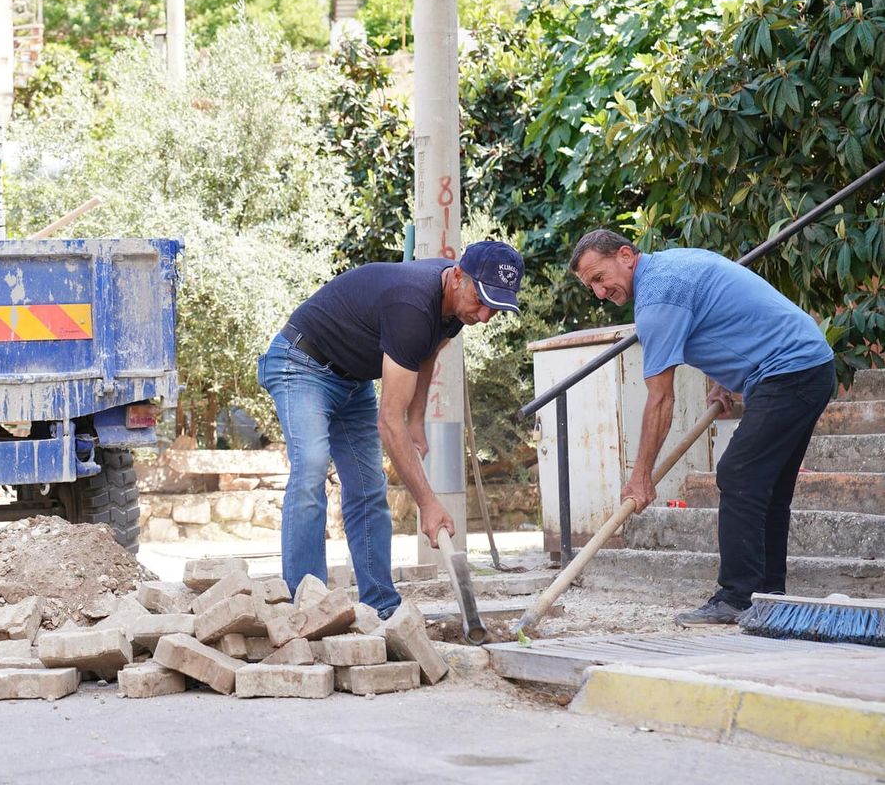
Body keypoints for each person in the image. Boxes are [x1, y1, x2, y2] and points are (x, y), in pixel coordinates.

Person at [569, 229, 836, 626]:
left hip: (788, 371)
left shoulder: (657, 298)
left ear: (625, 255)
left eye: (598, 278)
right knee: (768, 488)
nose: (599, 292)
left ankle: (737, 597)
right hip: (809, 365)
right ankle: (768, 595)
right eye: (590, 284)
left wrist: (640, 476)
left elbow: (661, 399)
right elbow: (726, 313)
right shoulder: (671, 267)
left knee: (739, 474)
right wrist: (725, 378)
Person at [257, 241, 524, 617]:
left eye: (495, 309)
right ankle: (306, 603)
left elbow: (426, 353)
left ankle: (380, 606)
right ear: (458, 277)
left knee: (368, 487)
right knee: (312, 466)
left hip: (353, 381)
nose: (484, 317)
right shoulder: (412, 304)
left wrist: (416, 420)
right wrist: (428, 505)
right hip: (300, 363)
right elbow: (388, 422)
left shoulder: (455, 306)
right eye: (481, 302)